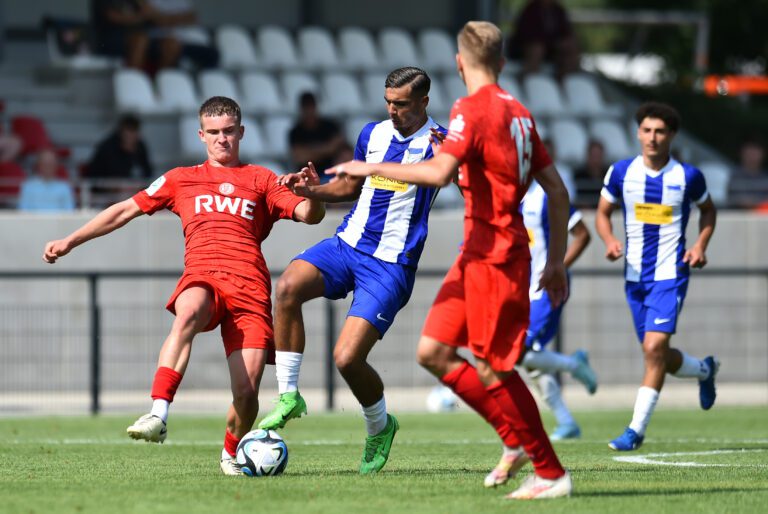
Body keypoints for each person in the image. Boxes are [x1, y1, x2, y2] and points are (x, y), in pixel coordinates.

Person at [329, 21, 573, 500]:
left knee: (494, 367)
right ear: (501, 63)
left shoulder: (470, 109)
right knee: (434, 352)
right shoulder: (520, 113)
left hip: (497, 253)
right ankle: (515, 442)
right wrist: (558, 261)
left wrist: (368, 166)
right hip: (476, 253)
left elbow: (439, 174)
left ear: (461, 64)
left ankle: (550, 471)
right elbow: (559, 193)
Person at [42, 96, 325, 475]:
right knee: (188, 311)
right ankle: (158, 413)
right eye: (213, 133)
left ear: (241, 132)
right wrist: (70, 240)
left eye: (228, 132)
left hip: (250, 289)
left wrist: (314, 194)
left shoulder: (262, 179)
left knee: (247, 394)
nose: (221, 139)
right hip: (203, 275)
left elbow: (309, 215)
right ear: (201, 135)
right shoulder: (181, 178)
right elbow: (125, 209)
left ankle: (230, 453)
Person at [257, 67, 447, 475]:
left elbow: (452, 178)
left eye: (402, 104)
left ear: (424, 103)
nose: (393, 111)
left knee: (346, 359)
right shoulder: (372, 134)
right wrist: (314, 191)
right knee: (287, 286)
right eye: (388, 103)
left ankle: (380, 426)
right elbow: (351, 186)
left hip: (391, 264)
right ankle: (289, 395)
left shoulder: (440, 144)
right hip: (347, 246)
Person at [595, 102, 719, 452]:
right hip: (634, 276)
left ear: (672, 136)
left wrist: (699, 245)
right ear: (638, 133)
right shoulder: (620, 173)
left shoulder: (687, 177)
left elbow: (708, 211)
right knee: (657, 354)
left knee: (653, 348)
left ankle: (635, 430)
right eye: (647, 130)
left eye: (660, 131)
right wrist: (609, 239)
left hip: (670, 274)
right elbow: (603, 213)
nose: (652, 137)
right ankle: (704, 370)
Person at [516, 178, 594, 444]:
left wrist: (557, 268)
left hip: (546, 289)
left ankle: (574, 365)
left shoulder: (545, 196)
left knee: (518, 350)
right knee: (532, 358)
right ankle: (566, 421)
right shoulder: (509, 194)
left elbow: (583, 234)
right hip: (520, 288)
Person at [91, 0, 181, 70]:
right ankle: (133, 83)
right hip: (113, 38)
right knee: (140, 40)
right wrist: (141, 17)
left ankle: (161, 84)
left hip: (145, 36)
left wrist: (144, 6)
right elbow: (113, 17)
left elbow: (156, 17)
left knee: (171, 43)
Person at [505, 0, 580, 77]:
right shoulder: (531, 9)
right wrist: (551, 42)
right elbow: (528, 36)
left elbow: (566, 33)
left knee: (570, 47)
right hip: (525, 49)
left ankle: (566, 81)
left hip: (552, 50)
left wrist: (563, 43)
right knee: (537, 49)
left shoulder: (558, 10)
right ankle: (528, 79)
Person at [288, 92, 346, 184]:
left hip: (332, 175)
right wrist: (327, 149)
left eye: (311, 105)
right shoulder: (296, 132)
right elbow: (300, 157)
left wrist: (310, 152)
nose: (309, 110)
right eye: (306, 106)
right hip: (308, 179)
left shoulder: (330, 126)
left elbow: (342, 149)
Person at [144, 0, 220, 70]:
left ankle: (201, 81)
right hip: (158, 38)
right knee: (171, 44)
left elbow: (192, 17)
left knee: (213, 54)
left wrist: (167, 19)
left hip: (183, 39)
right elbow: (157, 20)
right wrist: (179, 18)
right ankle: (162, 76)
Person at [87, 114, 153, 180]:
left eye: (133, 132)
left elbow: (147, 172)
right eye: (128, 132)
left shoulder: (140, 147)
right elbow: (94, 175)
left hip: (135, 188)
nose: (130, 137)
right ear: (121, 132)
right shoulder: (107, 147)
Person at [728, 135, 768, 208]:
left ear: (763, 154)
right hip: (738, 216)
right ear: (742, 153)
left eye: (755, 151)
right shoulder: (734, 176)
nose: (752, 155)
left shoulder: (766, 177)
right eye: (749, 151)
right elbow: (737, 200)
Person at [573, 139, 607, 206]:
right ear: (588, 155)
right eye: (593, 156)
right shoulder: (578, 176)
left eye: (598, 156)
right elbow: (576, 199)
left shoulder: (609, 174)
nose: (596, 160)